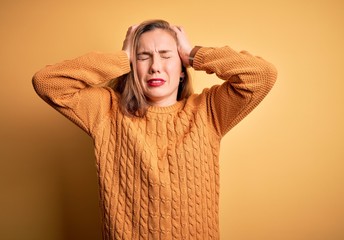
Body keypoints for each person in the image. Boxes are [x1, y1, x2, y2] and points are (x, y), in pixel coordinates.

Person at [33, 19, 277, 239]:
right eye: (143, 56)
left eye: (166, 55)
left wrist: (193, 54)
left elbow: (262, 75)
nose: (155, 66)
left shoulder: (209, 111)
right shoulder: (106, 112)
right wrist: (120, 58)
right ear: (131, 65)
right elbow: (47, 82)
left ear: (182, 70)